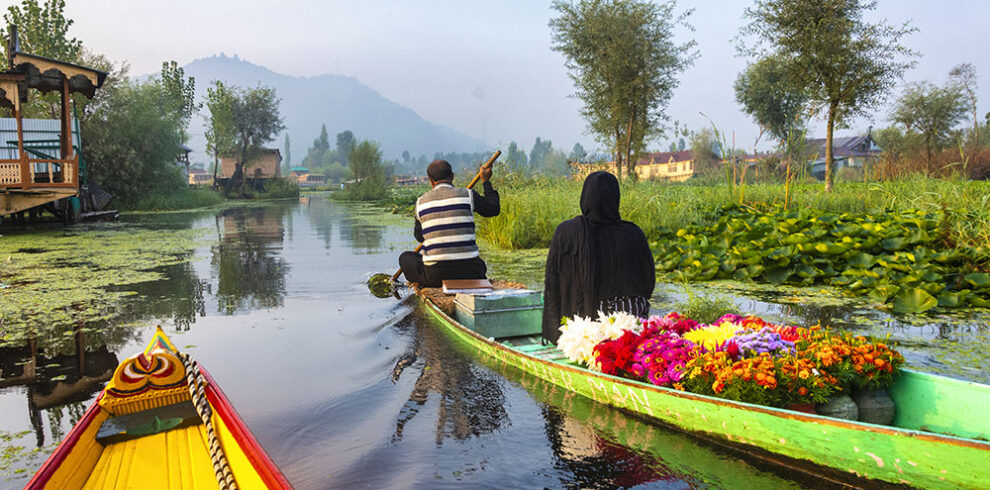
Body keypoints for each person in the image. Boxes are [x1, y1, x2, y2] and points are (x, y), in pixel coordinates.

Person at [542, 171, 655, 344]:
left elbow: (553, 285)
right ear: (615, 198)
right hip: (633, 325)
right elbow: (648, 283)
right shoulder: (634, 233)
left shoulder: (567, 232)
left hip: (587, 331)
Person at [399, 159, 500, 287]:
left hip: (436, 277)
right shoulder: (468, 195)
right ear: (452, 176)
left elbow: (420, 237)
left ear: (430, 181)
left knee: (405, 258)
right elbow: (493, 209)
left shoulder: (421, 203)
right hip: (471, 273)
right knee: (477, 262)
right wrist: (486, 181)